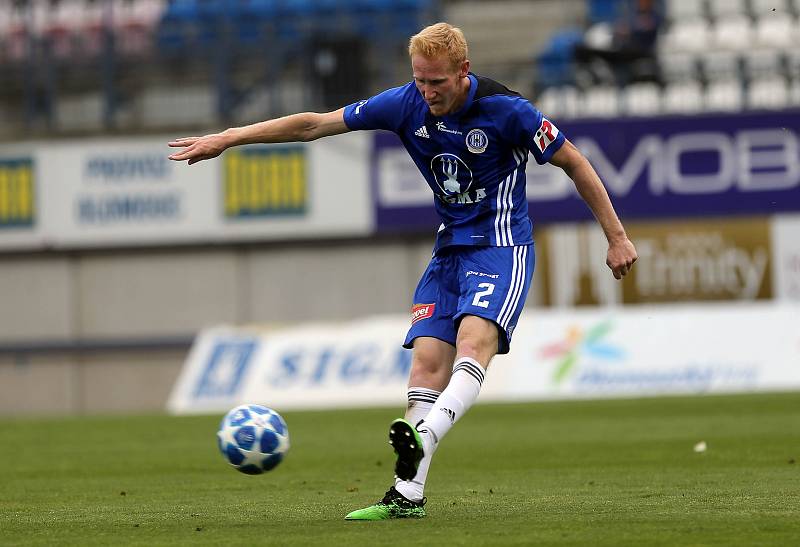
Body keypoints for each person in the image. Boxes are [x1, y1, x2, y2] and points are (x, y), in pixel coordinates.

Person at [168, 22, 638, 520]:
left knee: (474, 344)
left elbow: (576, 163)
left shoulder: (508, 110)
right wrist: (230, 137)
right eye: (420, 80)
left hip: (502, 248)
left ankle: (424, 434)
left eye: (437, 81)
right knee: (426, 363)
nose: (428, 92)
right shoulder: (404, 103)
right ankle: (407, 494)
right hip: (448, 251)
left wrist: (616, 236)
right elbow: (312, 125)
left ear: (463, 71)